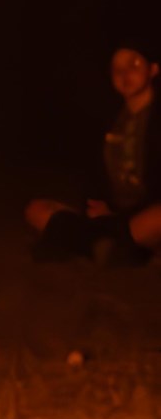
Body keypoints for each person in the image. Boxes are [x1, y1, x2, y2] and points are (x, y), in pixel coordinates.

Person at [26, 44, 161, 263]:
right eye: (117, 69)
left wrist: (124, 215)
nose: (125, 74)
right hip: (110, 216)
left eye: (134, 64)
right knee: (36, 209)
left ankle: (86, 243)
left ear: (153, 69)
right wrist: (98, 206)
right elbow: (92, 173)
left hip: (143, 213)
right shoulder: (107, 117)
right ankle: (112, 246)